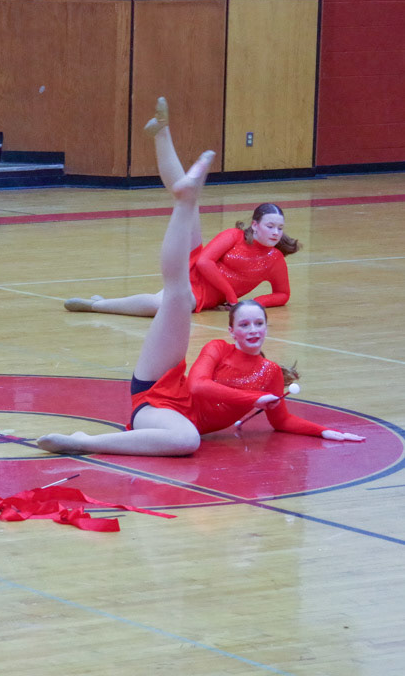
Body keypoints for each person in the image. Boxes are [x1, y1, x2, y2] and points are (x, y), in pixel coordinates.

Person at [37, 134, 363, 458]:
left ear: (266, 329)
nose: (252, 330)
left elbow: (283, 421)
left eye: (258, 324)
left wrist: (326, 432)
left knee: (186, 435)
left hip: (163, 412)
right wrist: (252, 397)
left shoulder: (271, 373)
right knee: (176, 286)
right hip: (173, 361)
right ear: (232, 331)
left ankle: (83, 440)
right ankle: (163, 137)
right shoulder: (217, 347)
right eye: (244, 324)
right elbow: (197, 386)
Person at [63, 99, 298, 318]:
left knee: (161, 305)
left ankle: (97, 304)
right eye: (270, 226)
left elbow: (283, 294)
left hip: (201, 295)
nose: (276, 232)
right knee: (188, 199)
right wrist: (232, 297)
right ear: (255, 225)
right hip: (195, 268)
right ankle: (162, 131)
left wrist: (253, 302)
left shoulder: (275, 259)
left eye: (280, 228)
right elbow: (204, 262)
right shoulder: (234, 236)